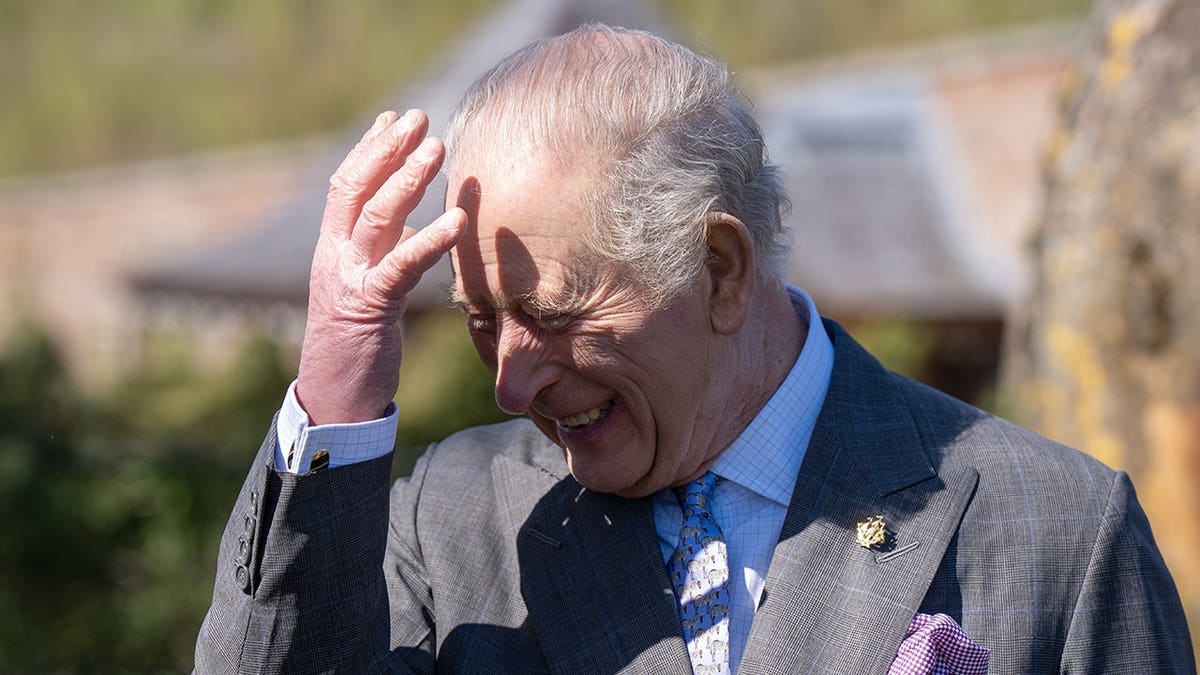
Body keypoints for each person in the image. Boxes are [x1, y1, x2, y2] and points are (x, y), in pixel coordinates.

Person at [195, 24, 1194, 674]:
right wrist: (334, 382)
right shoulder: (452, 522)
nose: (509, 380)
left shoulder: (1058, 528)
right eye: (478, 319)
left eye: (548, 312)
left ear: (718, 269)